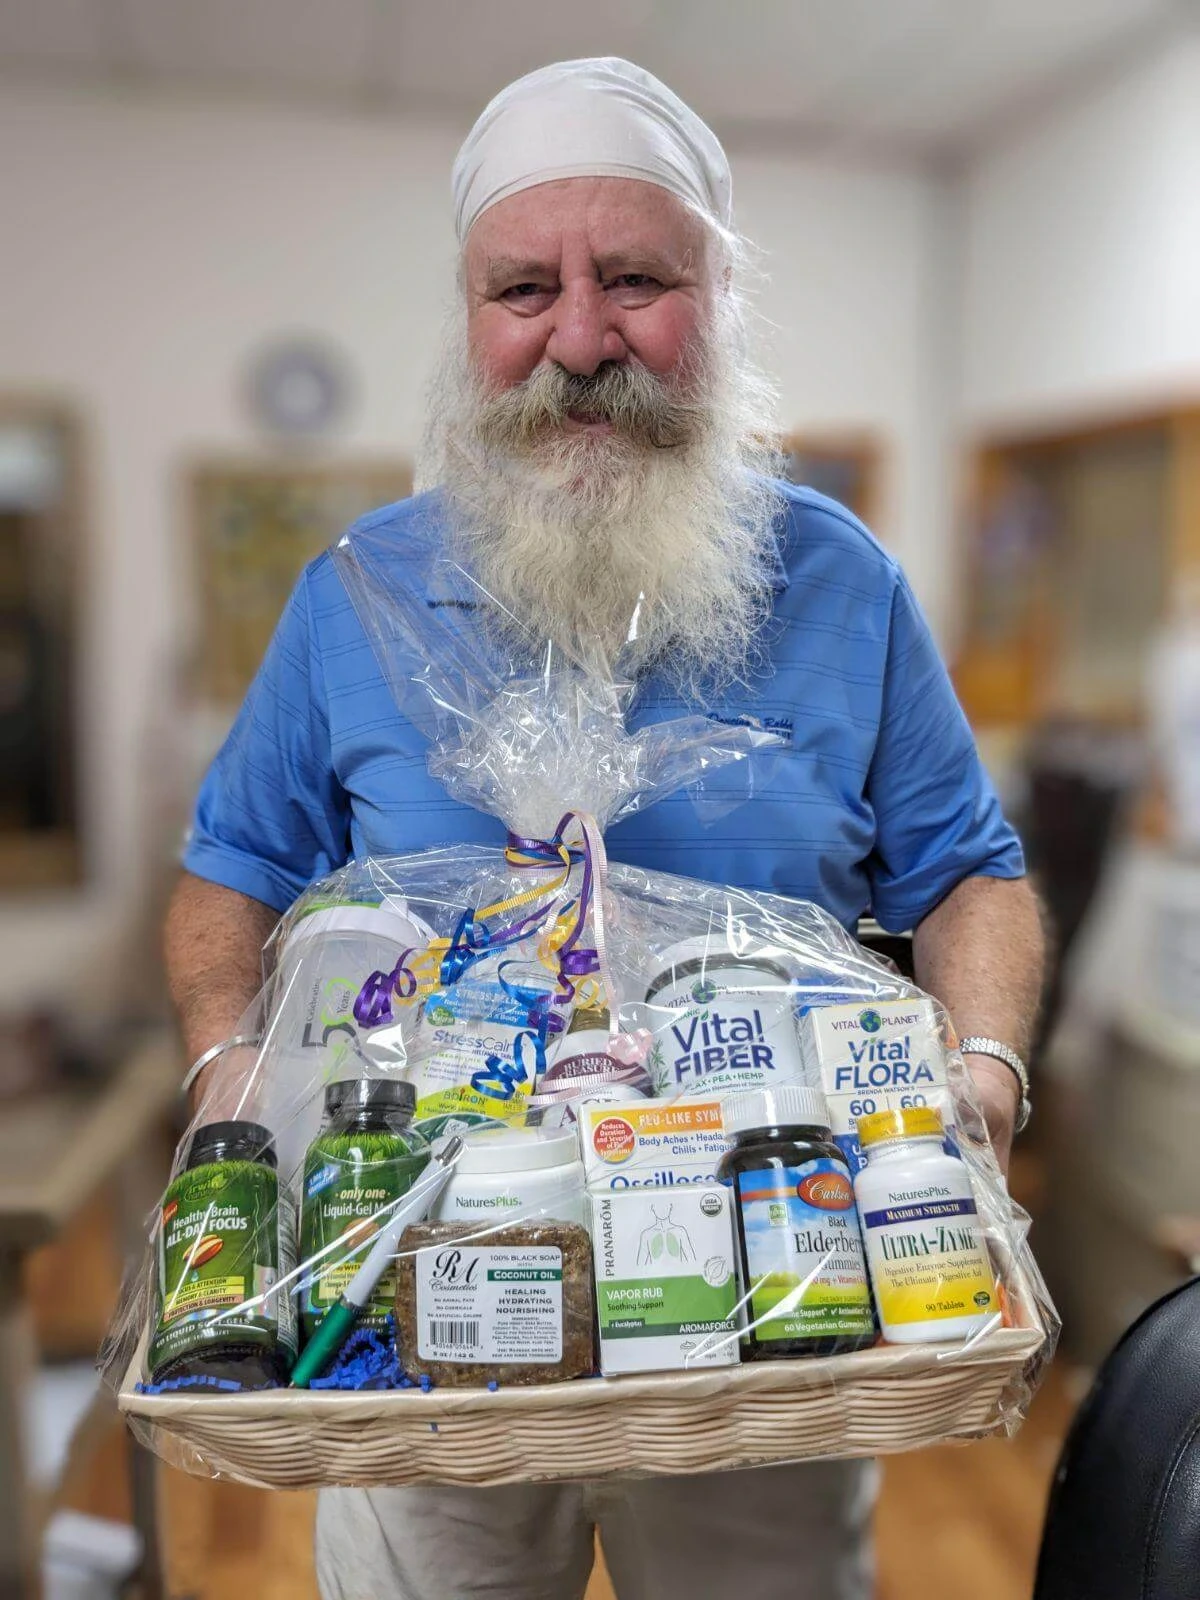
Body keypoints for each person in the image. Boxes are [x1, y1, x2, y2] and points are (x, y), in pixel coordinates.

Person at [165, 57, 1044, 1600]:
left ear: (720, 297)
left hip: (780, 1282)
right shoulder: (359, 595)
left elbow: (970, 869)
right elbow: (229, 871)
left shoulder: (841, 584)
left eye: (637, 277)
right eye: (525, 288)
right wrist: (234, 1071)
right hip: (418, 1289)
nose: (580, 339)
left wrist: (980, 1075)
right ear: (469, 320)